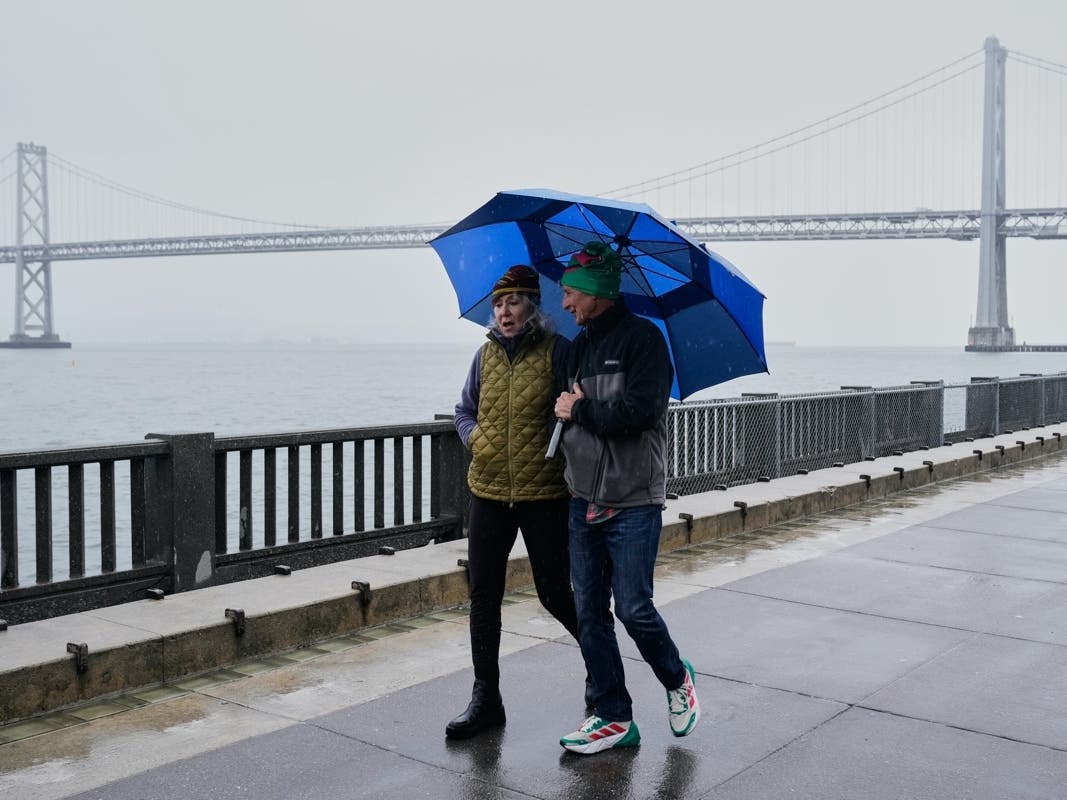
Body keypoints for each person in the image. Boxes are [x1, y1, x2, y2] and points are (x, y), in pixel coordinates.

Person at [553, 240, 700, 755]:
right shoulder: (575, 348)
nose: (565, 302)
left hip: (634, 498)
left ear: (596, 292)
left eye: (571, 291)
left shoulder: (644, 342)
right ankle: (613, 717)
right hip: (581, 498)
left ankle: (677, 677)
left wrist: (582, 410)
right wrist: (570, 410)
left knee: (633, 608)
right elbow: (563, 408)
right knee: (589, 612)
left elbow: (640, 414)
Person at [447, 264, 584, 739]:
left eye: (514, 302)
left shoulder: (559, 352)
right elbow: (463, 411)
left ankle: (602, 677)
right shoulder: (483, 357)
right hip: (486, 493)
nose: (504, 312)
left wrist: (568, 424)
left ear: (532, 306)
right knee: (483, 596)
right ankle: (486, 699)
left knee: (555, 593)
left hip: (543, 494)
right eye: (499, 304)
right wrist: (475, 438)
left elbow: (577, 413)